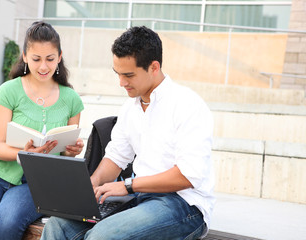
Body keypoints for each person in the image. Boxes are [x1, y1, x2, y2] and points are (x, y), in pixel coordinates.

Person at [41, 26, 215, 240]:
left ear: (154, 67)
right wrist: (90, 188)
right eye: (118, 74)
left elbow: (188, 175)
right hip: (140, 198)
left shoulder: (187, 105)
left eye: (128, 75)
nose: (121, 83)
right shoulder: (130, 108)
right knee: (58, 225)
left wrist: (128, 185)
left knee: (101, 237)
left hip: (183, 206)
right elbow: (115, 157)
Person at [0, 21, 84, 240]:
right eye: (36, 59)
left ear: (60, 56)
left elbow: (64, 154)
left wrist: (71, 151)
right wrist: (24, 155)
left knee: (6, 225)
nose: (43, 66)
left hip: (37, 182)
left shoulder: (71, 99)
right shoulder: (9, 91)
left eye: (50, 59)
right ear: (25, 56)